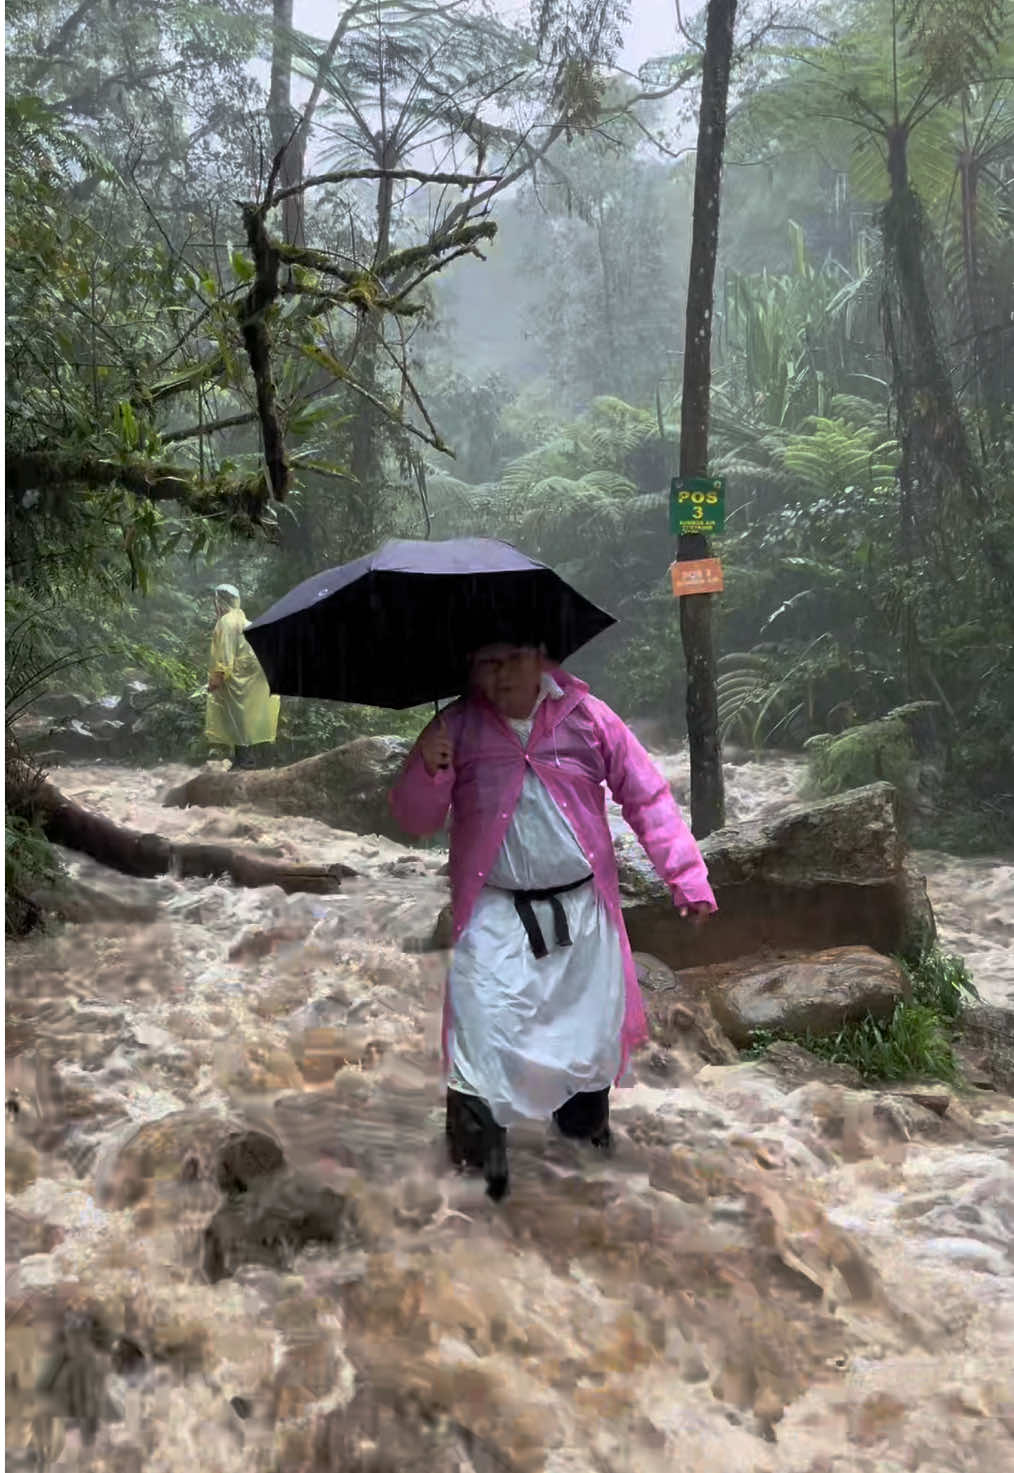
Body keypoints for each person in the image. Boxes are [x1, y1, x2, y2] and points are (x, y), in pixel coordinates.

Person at [389, 641, 716, 1200]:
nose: (498, 676)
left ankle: (584, 1172)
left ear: (539, 656)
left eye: (510, 659)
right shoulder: (456, 726)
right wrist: (429, 767)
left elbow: (646, 795)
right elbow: (414, 817)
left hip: (582, 913)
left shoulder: (586, 716)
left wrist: (685, 876)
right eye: (484, 663)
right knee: (480, 1037)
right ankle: (475, 1189)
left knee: (584, 1041)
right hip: (494, 912)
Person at [205, 584, 280, 770]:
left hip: (241, 676)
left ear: (219, 601)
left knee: (237, 715)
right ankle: (256, 760)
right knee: (253, 715)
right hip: (258, 673)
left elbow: (225, 655)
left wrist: (217, 678)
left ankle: (245, 761)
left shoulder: (227, 622)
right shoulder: (244, 620)